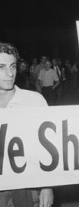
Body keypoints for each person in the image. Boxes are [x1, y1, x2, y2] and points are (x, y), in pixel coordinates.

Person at [0, 42, 54, 207]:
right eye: (1, 67)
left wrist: (47, 186)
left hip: (28, 187)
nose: (10, 73)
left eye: (13, 66)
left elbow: (50, 148)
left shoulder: (34, 101)